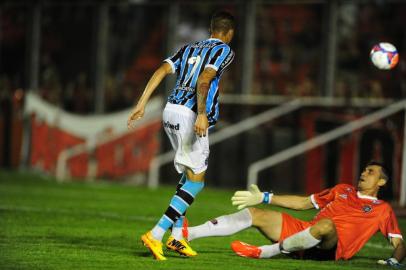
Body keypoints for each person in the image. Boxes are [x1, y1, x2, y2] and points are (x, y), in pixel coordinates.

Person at [127, 11, 235, 261]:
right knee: (197, 182)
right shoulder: (224, 51)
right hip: (189, 114)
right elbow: (205, 80)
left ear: (211, 29)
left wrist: (141, 104)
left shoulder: (189, 47)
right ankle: (156, 234)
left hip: (170, 111)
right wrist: (202, 113)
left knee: (188, 174)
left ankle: (177, 236)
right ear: (229, 33)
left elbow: (160, 71)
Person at [183, 161, 405, 267]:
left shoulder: (382, 209)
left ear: (382, 182)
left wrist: (394, 261)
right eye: (365, 169)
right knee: (255, 213)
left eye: (371, 172)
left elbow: (399, 243)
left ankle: (265, 253)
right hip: (304, 234)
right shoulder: (342, 190)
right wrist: (265, 197)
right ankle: (189, 234)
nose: (364, 173)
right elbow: (302, 203)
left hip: (330, 247)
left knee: (326, 224)